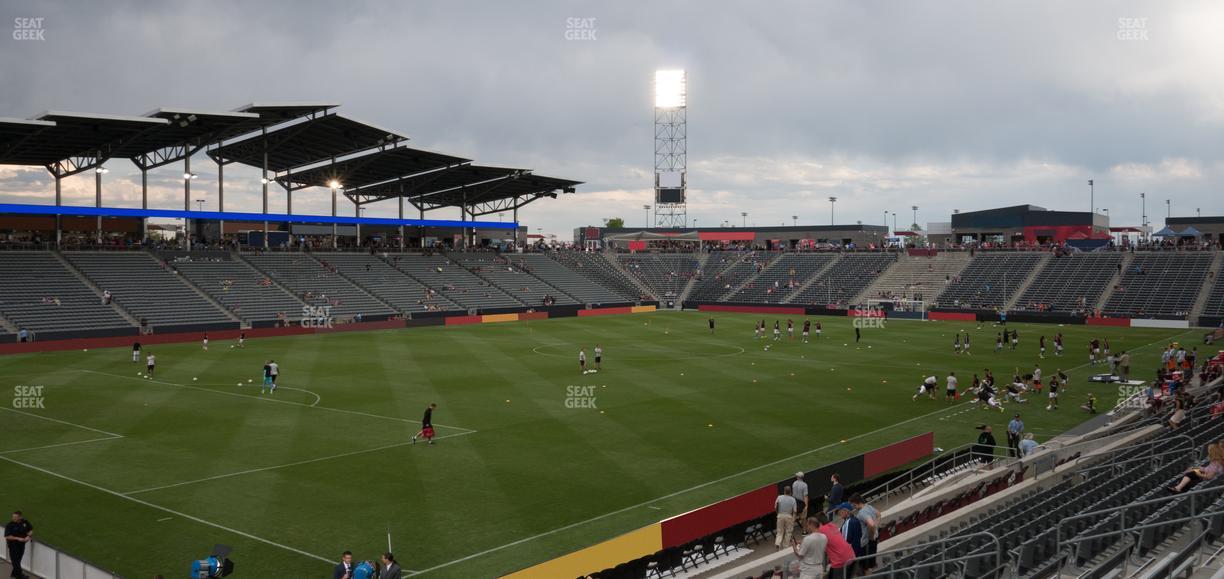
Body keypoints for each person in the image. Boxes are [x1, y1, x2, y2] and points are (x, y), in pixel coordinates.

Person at [818, 511, 856, 579]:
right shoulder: (832, 525)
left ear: (819, 523)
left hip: (840, 561)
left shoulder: (821, 530)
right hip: (851, 556)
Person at [850, 494, 880, 573]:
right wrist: (875, 529)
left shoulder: (862, 513)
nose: (853, 507)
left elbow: (871, 524)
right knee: (872, 561)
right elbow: (878, 514)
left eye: (852, 505)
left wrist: (870, 535)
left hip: (867, 542)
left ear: (855, 503)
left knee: (866, 566)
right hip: (874, 538)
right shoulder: (869, 506)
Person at [836, 502, 865, 574]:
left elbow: (856, 541)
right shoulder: (847, 521)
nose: (838, 513)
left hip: (852, 557)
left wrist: (853, 558)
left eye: (840, 510)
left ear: (846, 511)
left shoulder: (853, 522)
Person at [4, 511, 33, 579]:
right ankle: (20, 576)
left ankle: (14, 574)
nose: (13, 518)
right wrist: (18, 538)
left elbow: (31, 529)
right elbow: (7, 536)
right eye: (13, 517)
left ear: (20, 517)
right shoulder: (10, 525)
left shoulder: (25, 522)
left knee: (18, 560)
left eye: (15, 517)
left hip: (22, 545)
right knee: (15, 561)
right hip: (13, 546)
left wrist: (28, 536)